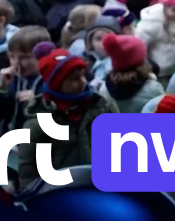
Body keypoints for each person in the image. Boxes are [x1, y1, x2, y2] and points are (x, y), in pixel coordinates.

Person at [16, 45, 118, 192]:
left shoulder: (102, 107)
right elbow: (28, 168)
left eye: (83, 75)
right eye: (74, 79)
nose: (83, 81)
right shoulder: (38, 123)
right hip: (62, 194)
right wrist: (32, 196)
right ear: (56, 84)